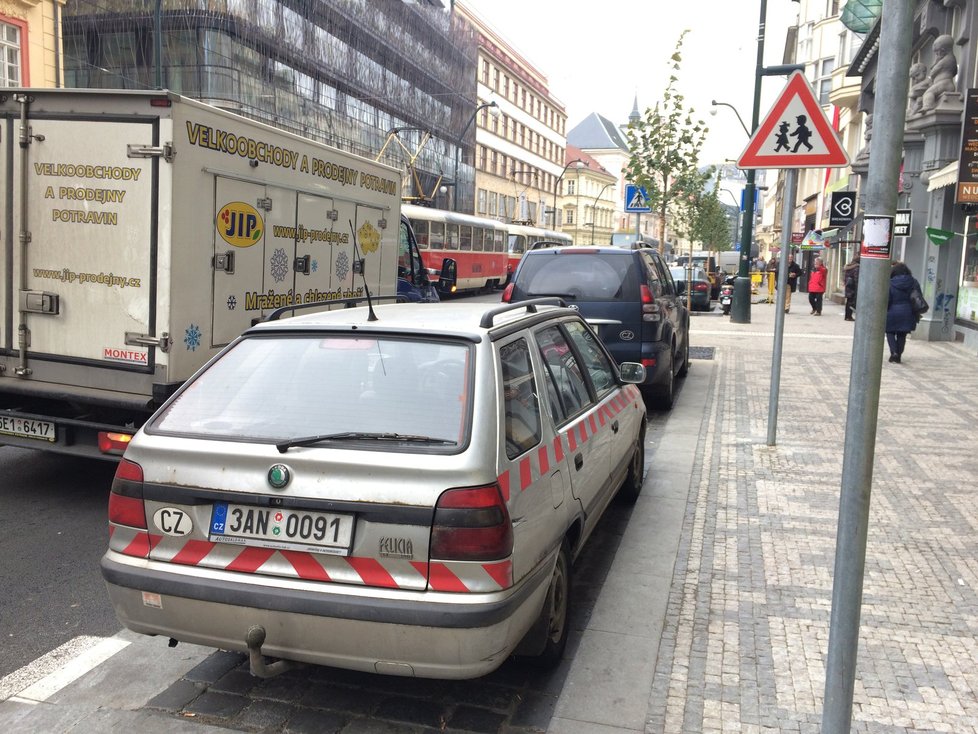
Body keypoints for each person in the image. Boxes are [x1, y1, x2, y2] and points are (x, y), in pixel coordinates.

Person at [885, 261, 922, 364]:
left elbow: (887, 299)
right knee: (902, 334)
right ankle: (899, 354)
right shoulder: (914, 282)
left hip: (892, 311)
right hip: (908, 312)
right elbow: (918, 297)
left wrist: (886, 309)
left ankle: (894, 352)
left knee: (890, 332)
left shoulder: (890, 282)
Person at [843, 252, 860, 321]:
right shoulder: (856, 268)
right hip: (853, 287)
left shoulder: (848, 267)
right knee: (852, 301)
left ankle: (847, 316)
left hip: (848, 286)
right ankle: (849, 316)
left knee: (849, 301)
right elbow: (856, 279)